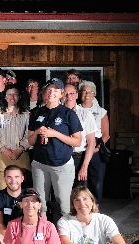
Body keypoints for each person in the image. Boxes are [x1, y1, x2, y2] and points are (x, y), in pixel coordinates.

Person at [27, 78, 82, 220]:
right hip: (40, 163)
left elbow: (77, 141)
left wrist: (55, 134)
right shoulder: (36, 113)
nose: (52, 92)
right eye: (49, 89)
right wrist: (38, 132)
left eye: (56, 90)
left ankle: (65, 238)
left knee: (63, 204)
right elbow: (30, 141)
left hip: (62, 164)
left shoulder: (68, 113)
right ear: (44, 93)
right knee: (40, 204)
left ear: (61, 93)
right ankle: (43, 236)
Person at [0, 85, 31, 190]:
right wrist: (4, 149)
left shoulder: (26, 114)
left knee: (22, 190)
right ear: (5, 97)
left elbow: (30, 135)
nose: (12, 97)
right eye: (9, 94)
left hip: (21, 155)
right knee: (2, 188)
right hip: (2, 155)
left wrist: (20, 149)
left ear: (19, 96)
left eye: (15, 94)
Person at [79, 81, 109, 200]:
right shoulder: (75, 109)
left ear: (94, 94)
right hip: (80, 146)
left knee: (96, 180)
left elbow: (106, 135)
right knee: (81, 180)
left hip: (96, 147)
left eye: (90, 92)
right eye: (84, 91)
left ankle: (95, 207)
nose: (87, 94)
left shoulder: (101, 111)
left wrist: (96, 149)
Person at [63, 84, 96, 188]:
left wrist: (84, 166)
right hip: (61, 157)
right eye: (65, 94)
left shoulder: (86, 114)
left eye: (72, 93)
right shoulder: (56, 113)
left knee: (79, 193)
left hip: (78, 157)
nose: (69, 97)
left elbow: (91, 143)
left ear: (77, 95)